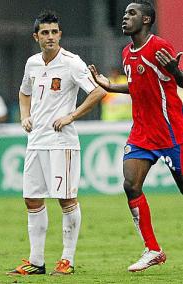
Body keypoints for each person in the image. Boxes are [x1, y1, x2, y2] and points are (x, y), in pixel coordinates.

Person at [8, 10, 106, 276]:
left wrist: (71, 115)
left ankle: (67, 260)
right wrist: (25, 116)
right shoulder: (32, 63)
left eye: (54, 32)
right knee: (31, 199)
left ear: (60, 34)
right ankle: (36, 261)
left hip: (61, 142)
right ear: (36, 36)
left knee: (65, 199)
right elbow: (23, 92)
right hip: (36, 141)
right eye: (45, 33)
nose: (50, 37)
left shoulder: (72, 63)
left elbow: (98, 91)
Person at [89, 0, 183, 273]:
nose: (125, 17)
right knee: (131, 184)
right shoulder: (127, 52)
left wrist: (176, 72)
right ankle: (153, 249)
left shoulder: (160, 47)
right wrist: (110, 87)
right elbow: (138, 86)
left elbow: (178, 81)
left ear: (146, 20)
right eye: (125, 12)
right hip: (142, 133)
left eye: (132, 13)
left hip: (171, 131)